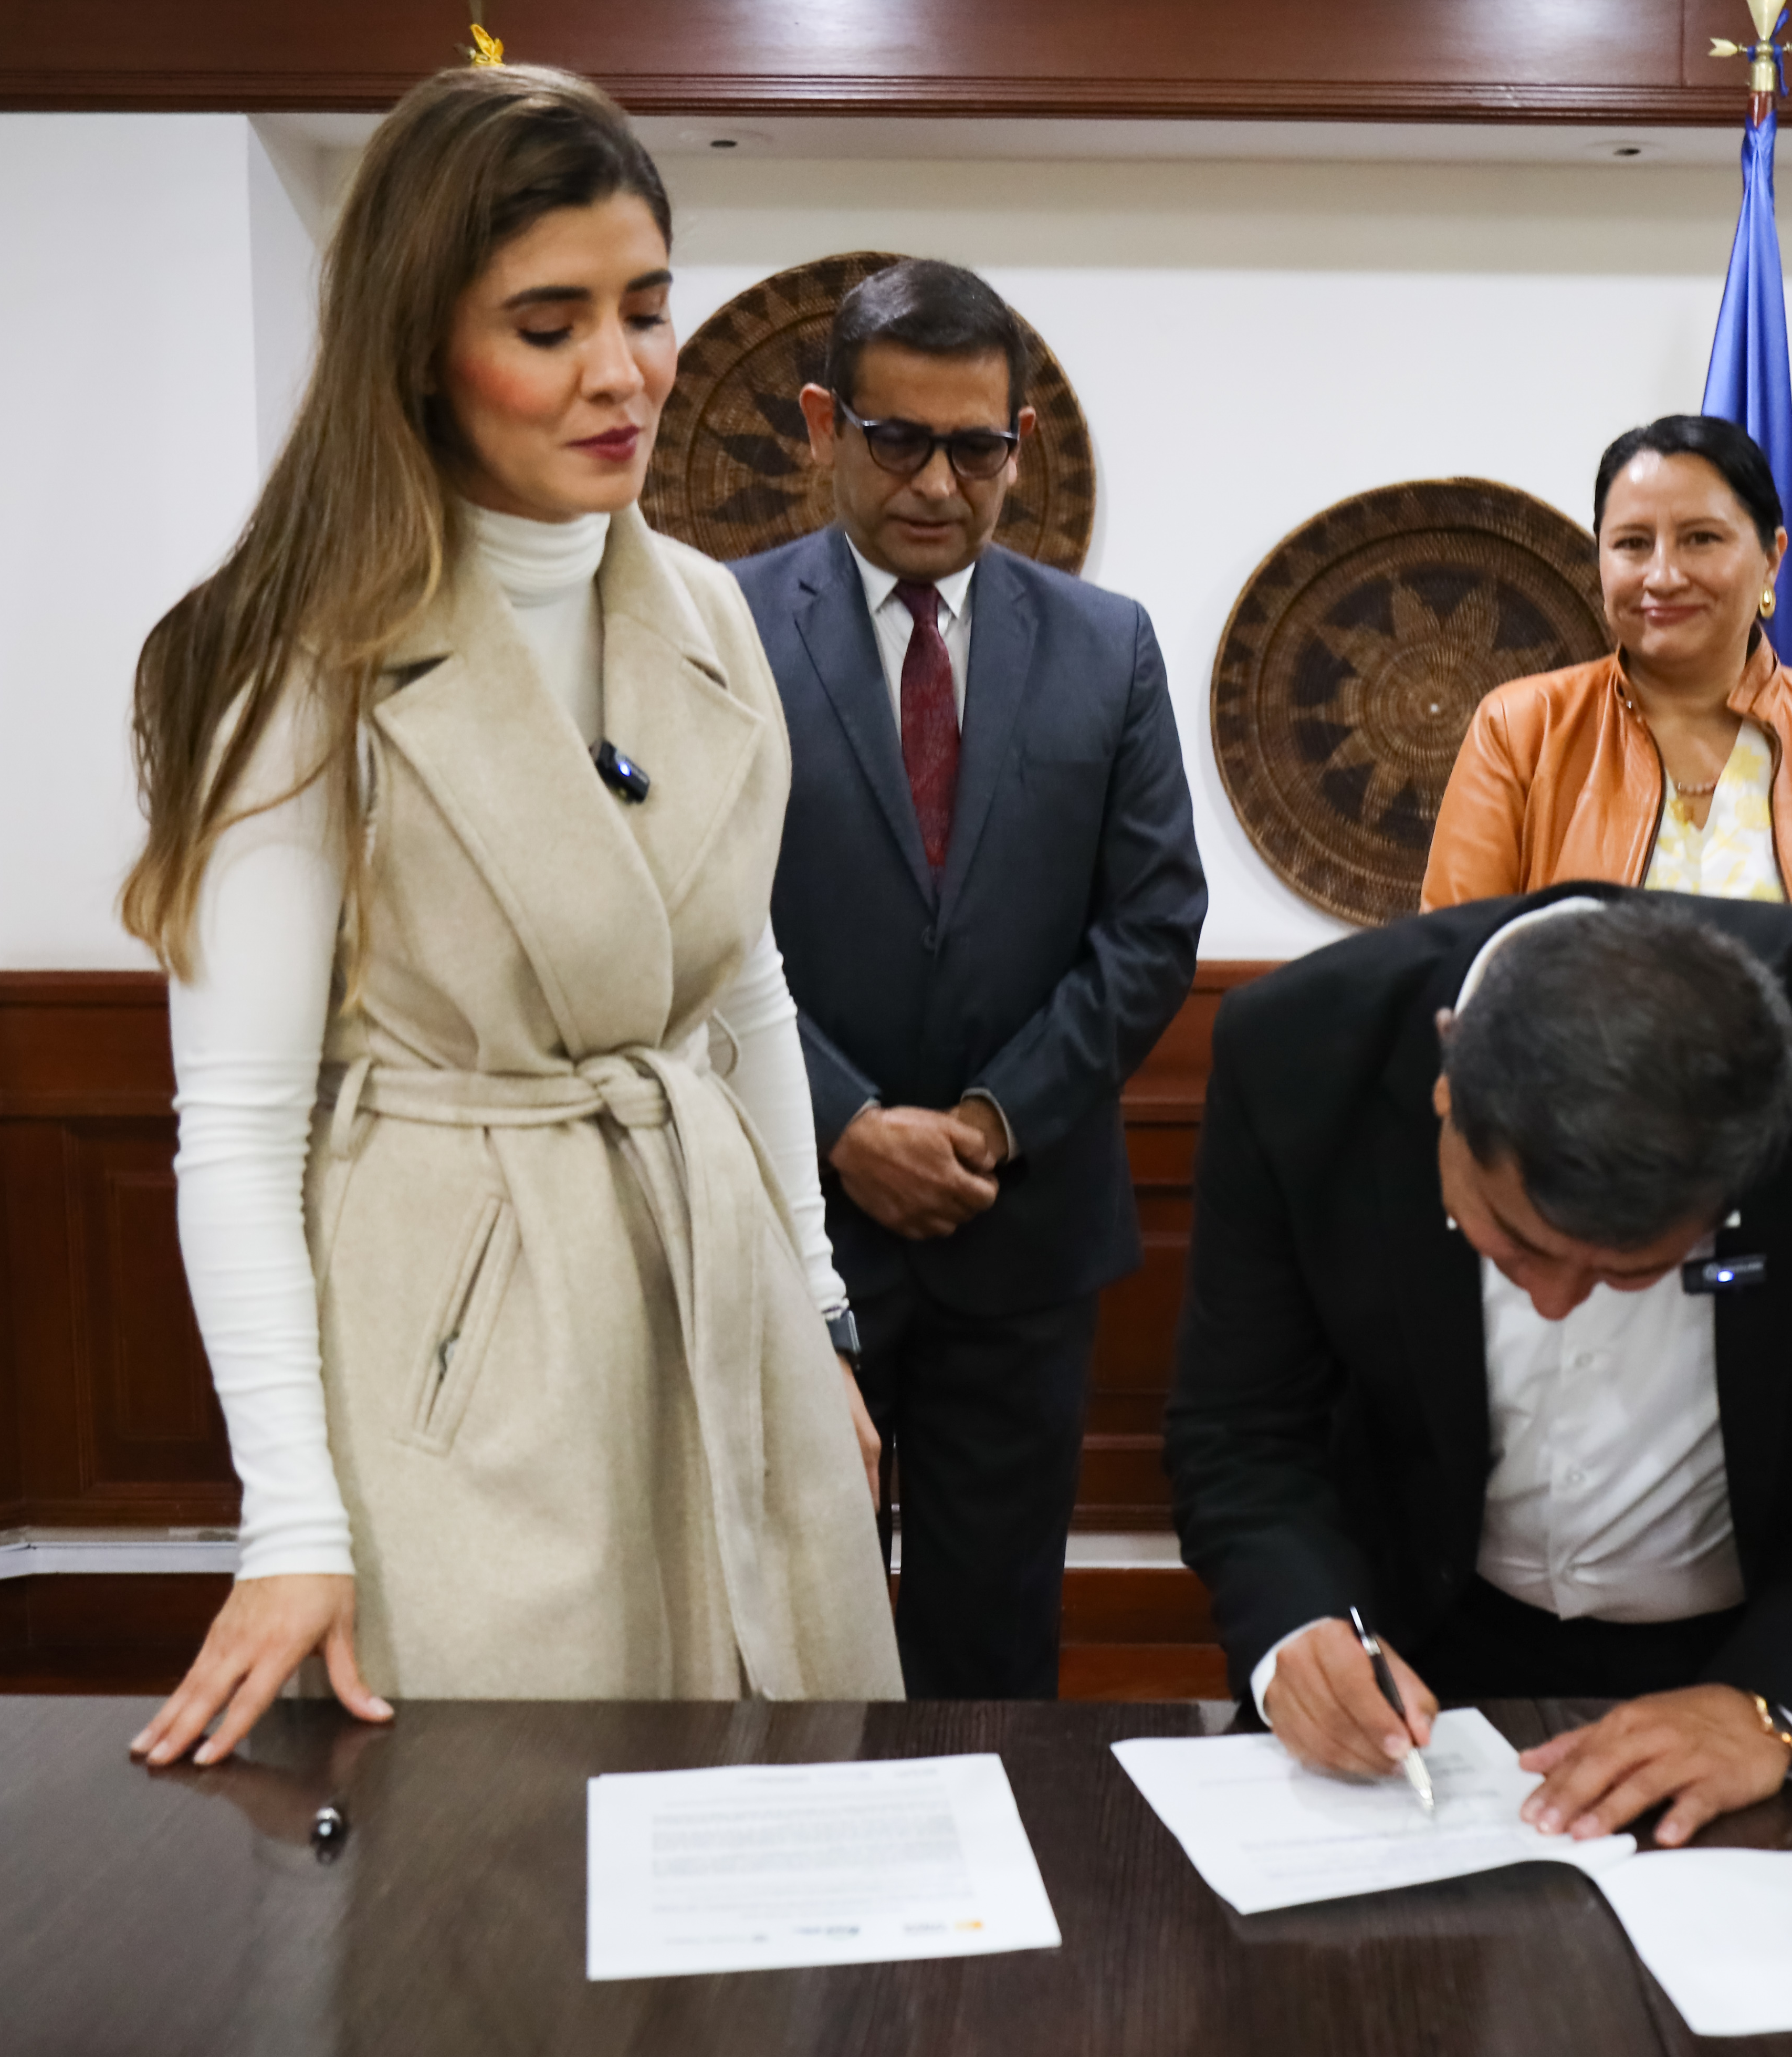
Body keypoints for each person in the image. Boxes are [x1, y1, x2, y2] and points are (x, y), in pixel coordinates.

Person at [121, 65, 901, 1769]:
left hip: (718, 1280)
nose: (619, 373)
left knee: (782, 1822)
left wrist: (818, 1318)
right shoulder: (290, 664)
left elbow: (743, 986)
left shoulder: (708, 608)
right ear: (419, 345)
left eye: (643, 309)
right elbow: (239, 1131)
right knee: (498, 1879)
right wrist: (288, 1522)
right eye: (546, 324)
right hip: (455, 1309)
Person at [1165, 889, 1792, 1844]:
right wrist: (1300, 1629)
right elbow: (1242, 1429)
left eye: (1632, 1272)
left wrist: (1776, 1707)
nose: (1554, 1300)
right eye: (1512, 1245)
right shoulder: (1299, 1052)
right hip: (1437, 1666)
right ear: (1444, 1093)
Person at [731, 259, 1207, 1696]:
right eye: (896, 440)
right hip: (789, 1222)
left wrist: (993, 1118)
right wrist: (844, 1123)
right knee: (789, 1633)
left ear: (1022, 443)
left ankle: (992, 1918)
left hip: (1026, 1229)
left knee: (994, 1642)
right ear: (823, 424)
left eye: (976, 446)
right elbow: (685, 924)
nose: (938, 482)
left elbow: (1152, 921)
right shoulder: (717, 631)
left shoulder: (1107, 646)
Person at [1421, 415, 1792, 967]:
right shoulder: (1519, 729)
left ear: (1771, 557)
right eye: (1631, 543)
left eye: (1700, 539)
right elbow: (1458, 969)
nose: (1663, 576)